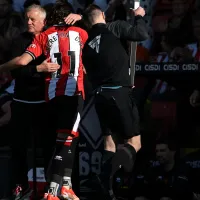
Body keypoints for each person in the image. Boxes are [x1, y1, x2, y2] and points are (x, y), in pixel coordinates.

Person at [0, 2, 88, 200]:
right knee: (19, 149)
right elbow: (18, 68)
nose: (28, 22)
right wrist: (37, 69)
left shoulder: (47, 36)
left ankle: (54, 188)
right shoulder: (21, 40)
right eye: (26, 19)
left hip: (46, 102)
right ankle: (21, 187)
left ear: (44, 21)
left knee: (52, 146)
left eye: (33, 19)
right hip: (24, 101)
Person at [81, 4, 148, 200]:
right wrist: (139, 17)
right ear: (102, 15)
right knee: (134, 143)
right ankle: (104, 176)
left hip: (99, 96)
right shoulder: (114, 27)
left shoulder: (87, 42)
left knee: (109, 144)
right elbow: (141, 34)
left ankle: (106, 189)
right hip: (118, 93)